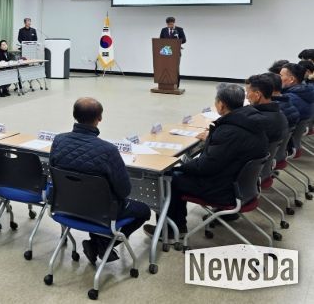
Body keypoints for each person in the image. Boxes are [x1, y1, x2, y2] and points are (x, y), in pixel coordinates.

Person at [143, 84, 268, 239]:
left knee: (168, 178)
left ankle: (169, 231)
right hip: (242, 186)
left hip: (223, 190)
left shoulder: (228, 131)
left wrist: (179, 167)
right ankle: (177, 226)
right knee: (177, 173)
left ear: (221, 105)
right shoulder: (251, 123)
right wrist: (212, 139)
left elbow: (204, 167)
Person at [50, 97, 150, 264]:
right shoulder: (108, 151)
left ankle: (97, 244)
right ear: (100, 118)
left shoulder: (58, 141)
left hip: (66, 206)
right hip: (101, 212)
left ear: (74, 115)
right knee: (144, 211)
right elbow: (124, 190)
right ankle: (103, 244)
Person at [245, 74, 289, 145]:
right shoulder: (281, 115)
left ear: (257, 94)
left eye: (248, 93)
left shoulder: (254, 120)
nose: (247, 97)